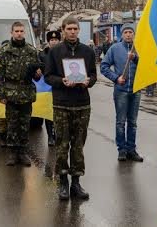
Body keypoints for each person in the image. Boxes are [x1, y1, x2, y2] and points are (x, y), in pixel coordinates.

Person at [44, 16, 97, 200]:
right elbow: (48, 76)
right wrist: (62, 81)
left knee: (78, 145)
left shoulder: (87, 52)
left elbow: (93, 75)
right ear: (63, 30)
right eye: (69, 29)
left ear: (78, 30)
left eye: (75, 29)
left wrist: (88, 81)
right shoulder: (55, 51)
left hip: (82, 104)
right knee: (62, 144)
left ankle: (76, 182)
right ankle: (63, 182)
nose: (72, 32)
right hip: (62, 104)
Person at [0, 21, 43, 167]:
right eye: (16, 31)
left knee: (25, 124)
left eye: (21, 31)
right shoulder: (4, 51)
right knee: (12, 123)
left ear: (25, 32)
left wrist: (38, 74)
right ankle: (12, 153)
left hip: (26, 92)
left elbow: (36, 75)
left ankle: (23, 152)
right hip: (10, 92)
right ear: (11, 33)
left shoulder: (31, 51)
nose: (19, 33)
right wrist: (0, 94)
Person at [100, 24, 143, 162]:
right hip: (121, 91)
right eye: (126, 32)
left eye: (131, 32)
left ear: (134, 34)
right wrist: (116, 78)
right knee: (120, 122)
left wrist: (135, 58)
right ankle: (122, 150)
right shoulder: (115, 48)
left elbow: (147, 65)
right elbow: (104, 67)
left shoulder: (139, 49)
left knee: (133, 122)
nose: (129, 34)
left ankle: (131, 149)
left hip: (136, 90)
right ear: (122, 34)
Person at [38, 30, 61, 146]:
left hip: (60, 86)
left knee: (59, 113)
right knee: (48, 112)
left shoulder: (63, 52)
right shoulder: (42, 54)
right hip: (46, 87)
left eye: (56, 40)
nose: (54, 42)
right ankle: (50, 137)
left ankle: (58, 134)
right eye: (51, 40)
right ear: (48, 42)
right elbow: (39, 69)